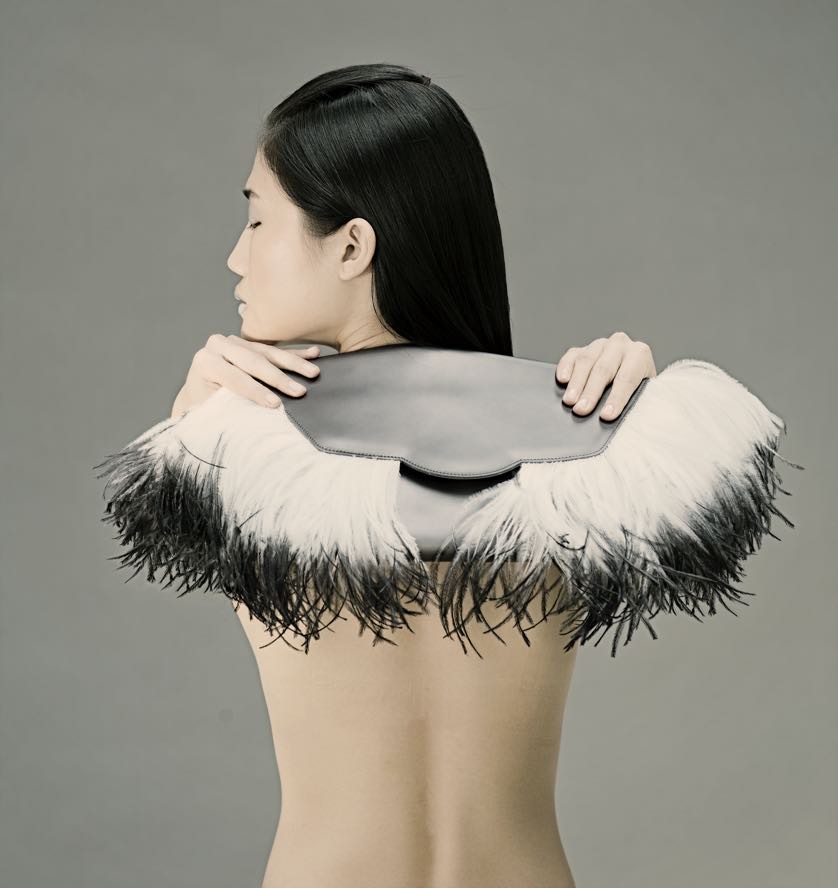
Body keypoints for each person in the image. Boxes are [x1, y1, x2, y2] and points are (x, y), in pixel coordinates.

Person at [95, 63, 799, 888]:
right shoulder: (599, 450)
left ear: (352, 246)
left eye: (256, 220)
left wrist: (192, 414)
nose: (235, 256)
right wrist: (630, 409)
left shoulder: (231, 441)